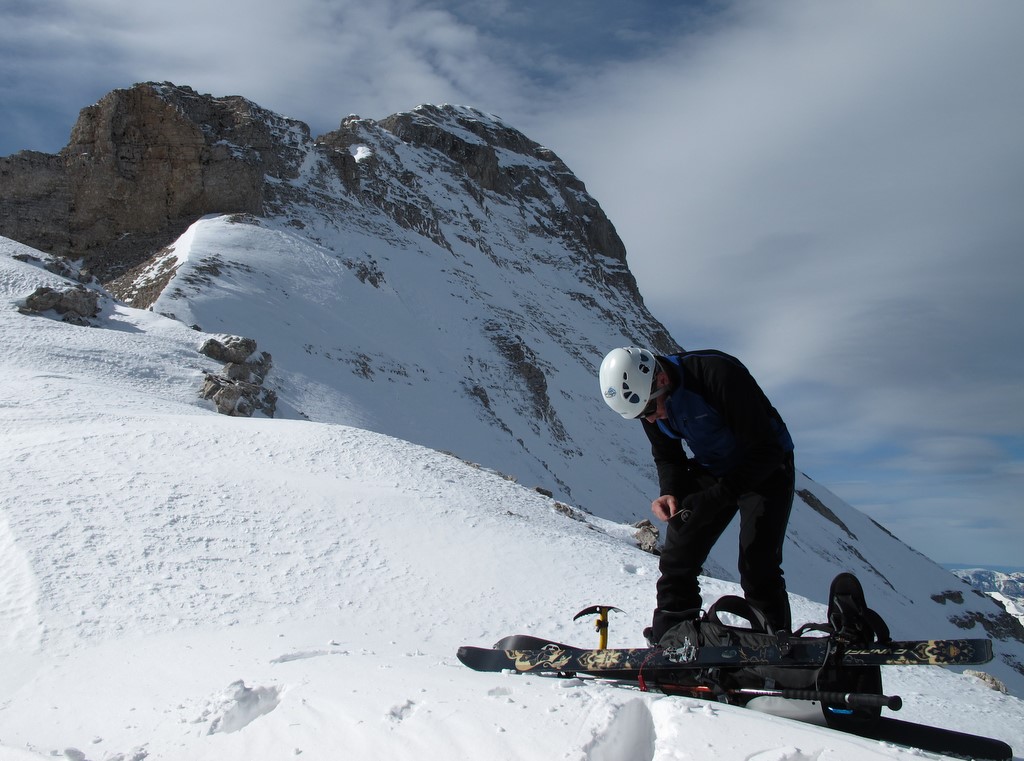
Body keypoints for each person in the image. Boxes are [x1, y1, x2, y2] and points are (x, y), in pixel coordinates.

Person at [598, 346, 795, 642]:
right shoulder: (646, 400)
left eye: (651, 410)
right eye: (641, 416)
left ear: (662, 379)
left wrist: (715, 497)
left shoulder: (718, 375)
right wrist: (671, 492)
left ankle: (772, 647)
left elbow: (766, 451)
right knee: (677, 558)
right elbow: (667, 456)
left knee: (758, 564)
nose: (650, 420)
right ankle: (674, 640)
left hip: (766, 465)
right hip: (714, 466)